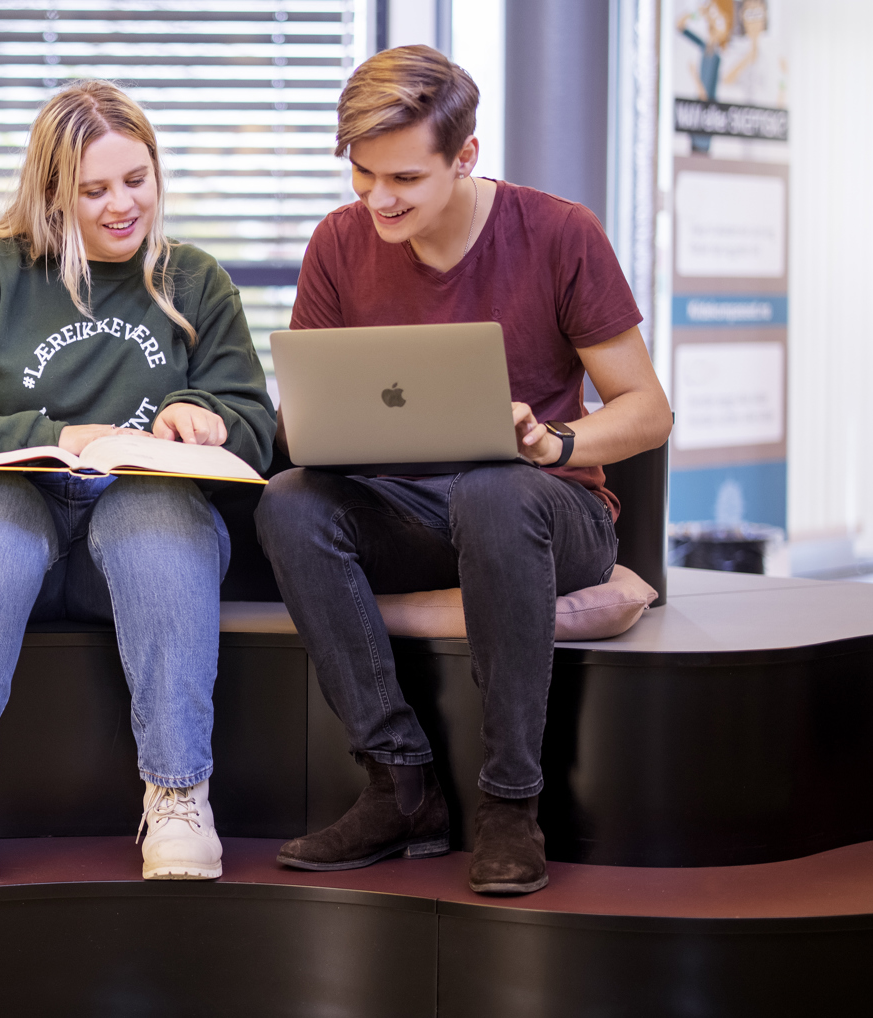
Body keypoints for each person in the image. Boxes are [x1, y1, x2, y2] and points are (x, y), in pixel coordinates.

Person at [254, 46, 671, 897]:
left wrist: (550, 442)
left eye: (403, 177)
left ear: (465, 157)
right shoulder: (339, 243)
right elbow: (307, 415)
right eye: (363, 174)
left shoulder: (558, 233)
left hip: (548, 511)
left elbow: (646, 409)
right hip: (408, 512)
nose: (378, 199)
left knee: (492, 490)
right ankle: (398, 783)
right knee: (290, 503)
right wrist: (309, 428)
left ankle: (512, 803)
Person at [0, 80, 276, 882]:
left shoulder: (195, 281)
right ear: (52, 194)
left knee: (157, 512)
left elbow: (253, 427)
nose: (121, 205)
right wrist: (55, 438)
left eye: (136, 181)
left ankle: (178, 795)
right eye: (93, 191)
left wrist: (204, 413)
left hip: (129, 551)